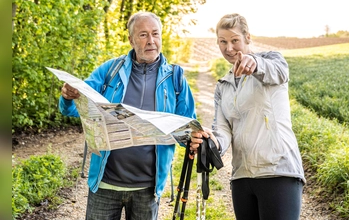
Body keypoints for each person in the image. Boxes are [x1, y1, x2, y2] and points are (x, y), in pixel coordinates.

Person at [59, 11, 196, 220]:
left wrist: (196, 140)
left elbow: (188, 128)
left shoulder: (175, 79)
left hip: (147, 189)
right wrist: (69, 96)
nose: (151, 41)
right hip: (105, 184)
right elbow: (72, 108)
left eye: (155, 34)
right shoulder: (110, 70)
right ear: (131, 40)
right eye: (143, 35)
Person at [190, 13, 306, 220]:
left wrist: (254, 63)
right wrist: (210, 142)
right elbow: (223, 132)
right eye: (222, 42)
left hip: (278, 172)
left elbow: (279, 72)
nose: (229, 48)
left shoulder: (272, 61)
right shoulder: (222, 86)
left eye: (235, 40)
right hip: (242, 177)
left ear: (247, 38)